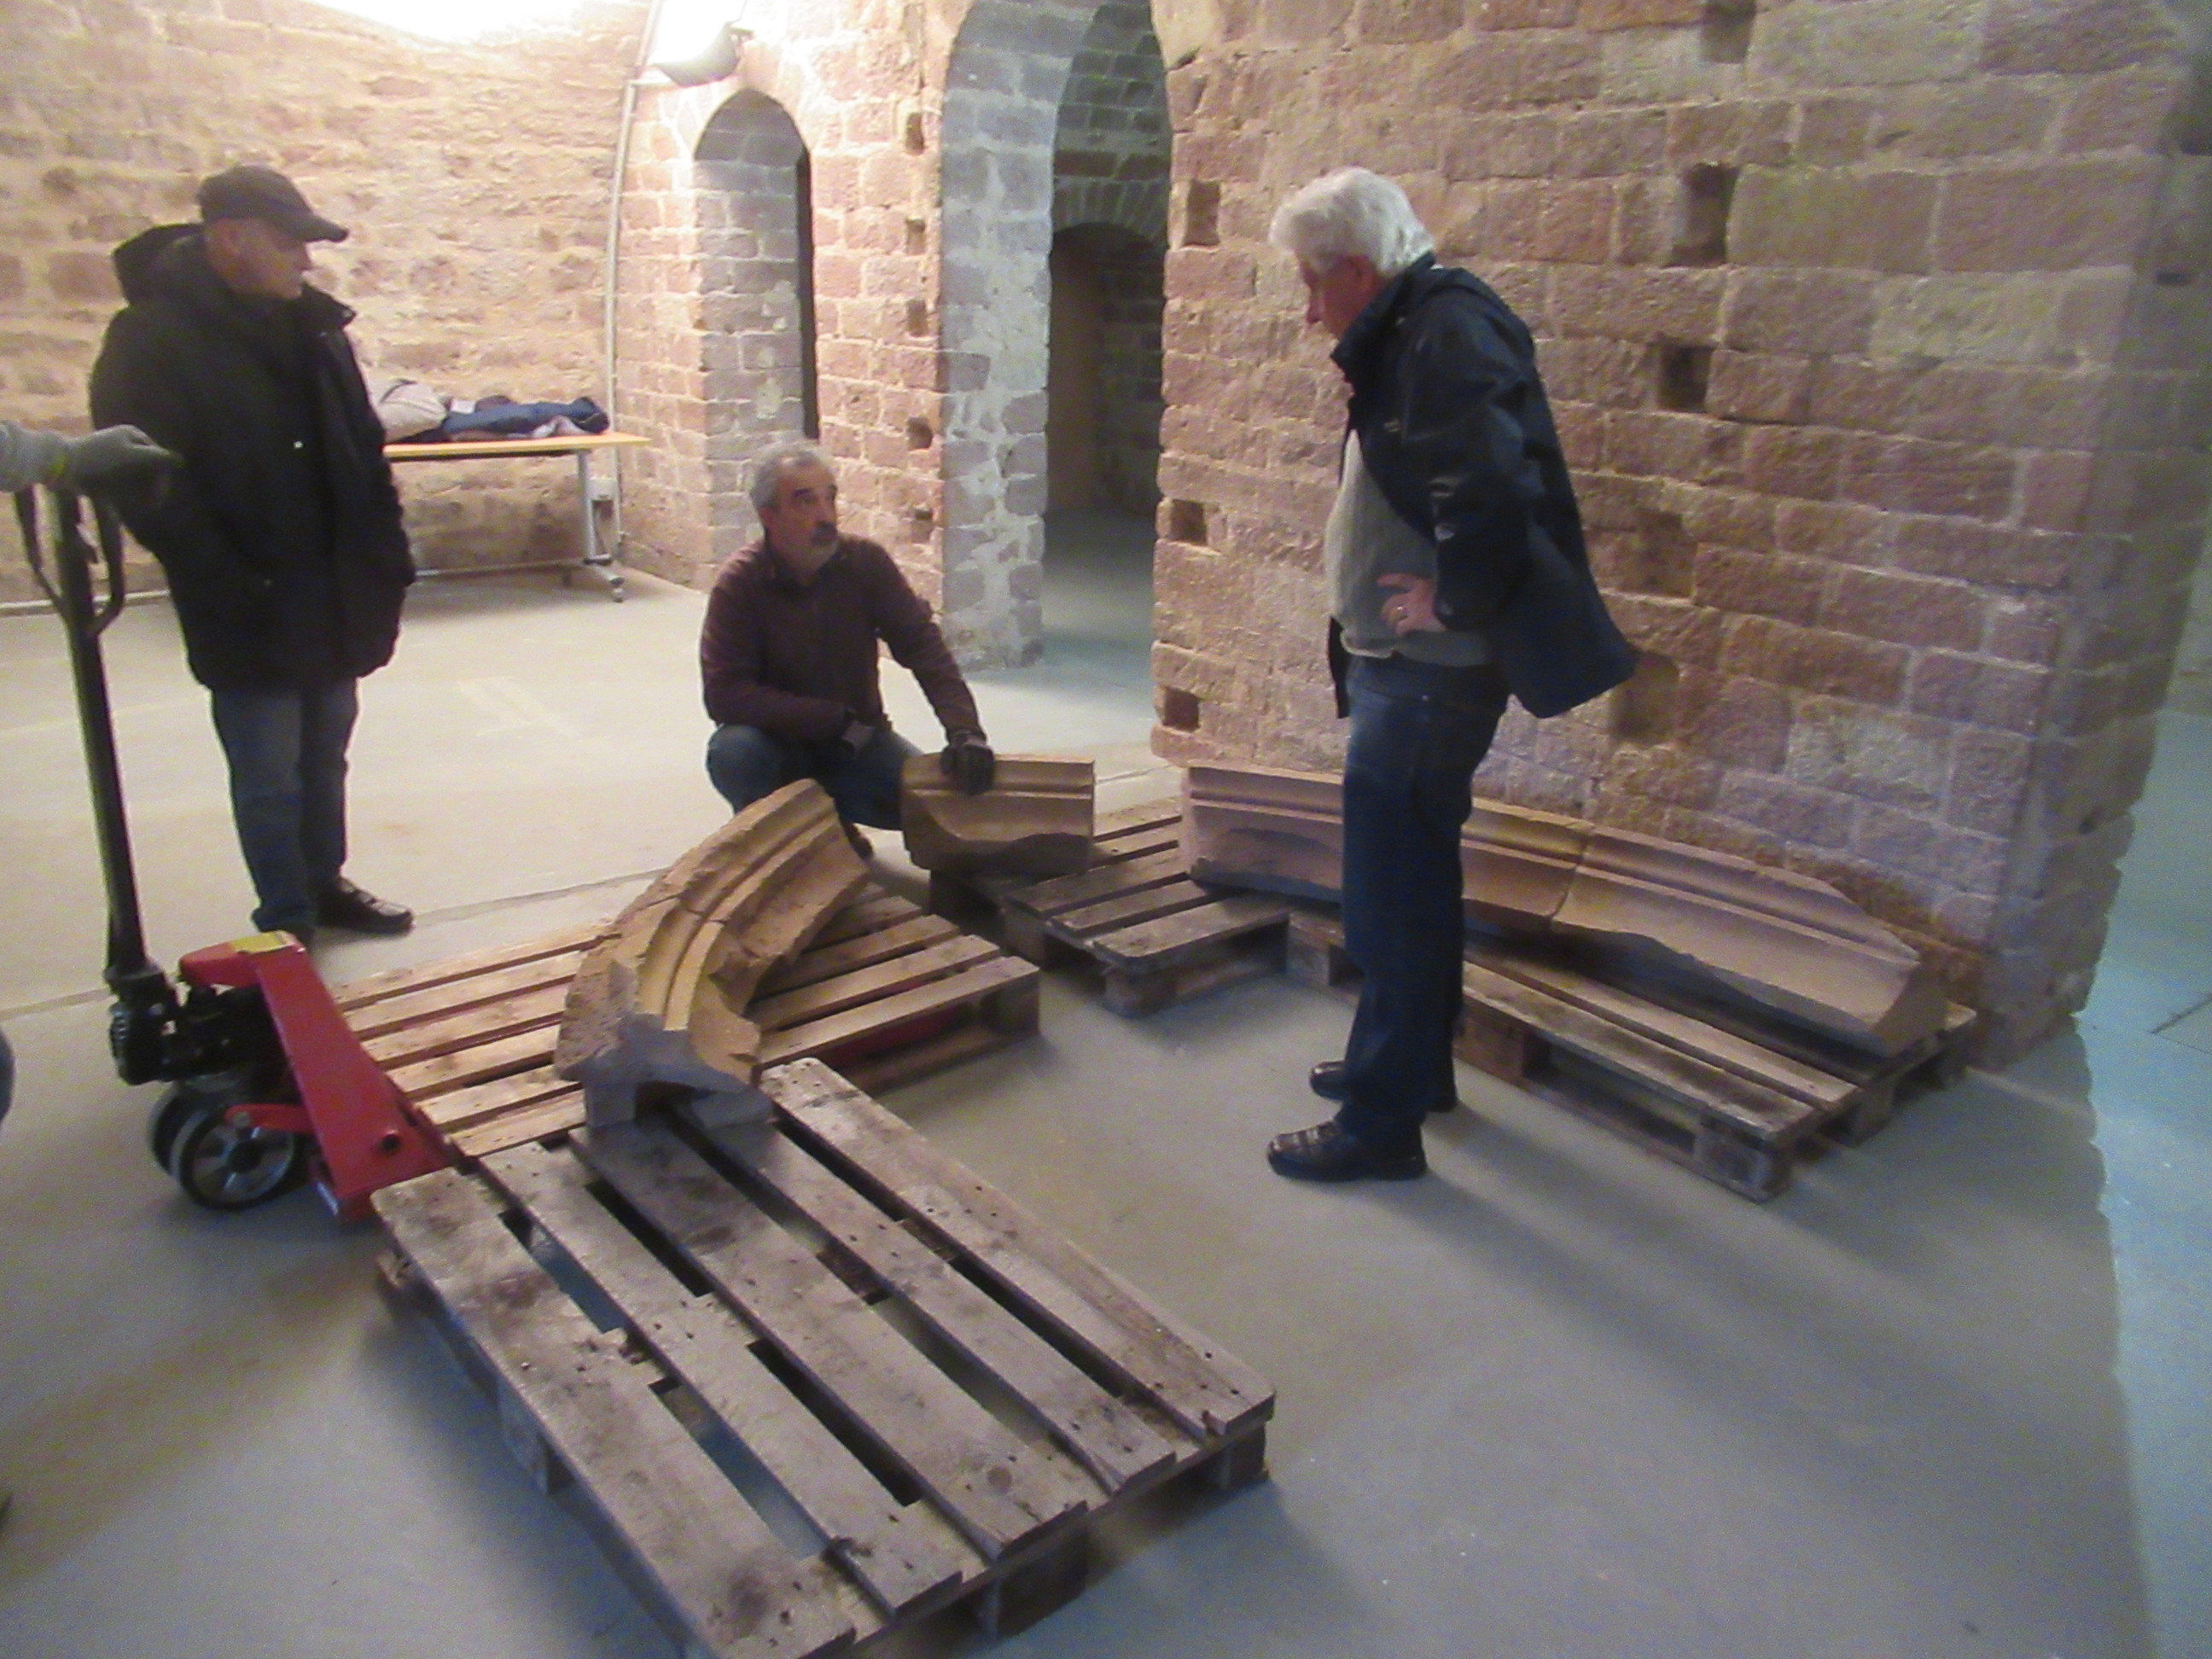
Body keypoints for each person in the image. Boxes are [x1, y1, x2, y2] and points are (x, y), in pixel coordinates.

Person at [1263, 167, 1637, 1184]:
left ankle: (1381, 1129)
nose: (1309, 310)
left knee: (1391, 899)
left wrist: (1454, 601)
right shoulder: (1417, 326)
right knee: (1411, 884)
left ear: (1356, 267)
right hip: (1405, 671)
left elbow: (1494, 489)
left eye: (1313, 283)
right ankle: (1413, 1070)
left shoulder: (1444, 331)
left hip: (1428, 673)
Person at [89, 165, 417, 944]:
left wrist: (387, 555)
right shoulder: (151, 339)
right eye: (288, 243)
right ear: (230, 238)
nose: (305, 261)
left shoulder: (317, 329)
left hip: (332, 588)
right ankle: (285, 919)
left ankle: (323, 882)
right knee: (268, 770)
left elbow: (363, 448)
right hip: (245, 595)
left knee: (325, 755)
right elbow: (145, 481)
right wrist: (228, 578)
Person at [701, 439, 995, 848]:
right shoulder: (740, 584)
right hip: (779, 748)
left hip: (856, 745)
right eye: (806, 502)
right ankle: (791, 840)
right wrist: (829, 719)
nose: (826, 516)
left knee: (937, 810)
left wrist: (964, 730)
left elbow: (923, 646)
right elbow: (725, 695)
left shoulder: (866, 564)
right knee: (735, 751)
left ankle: (829, 822)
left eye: (830, 498)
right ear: (769, 516)